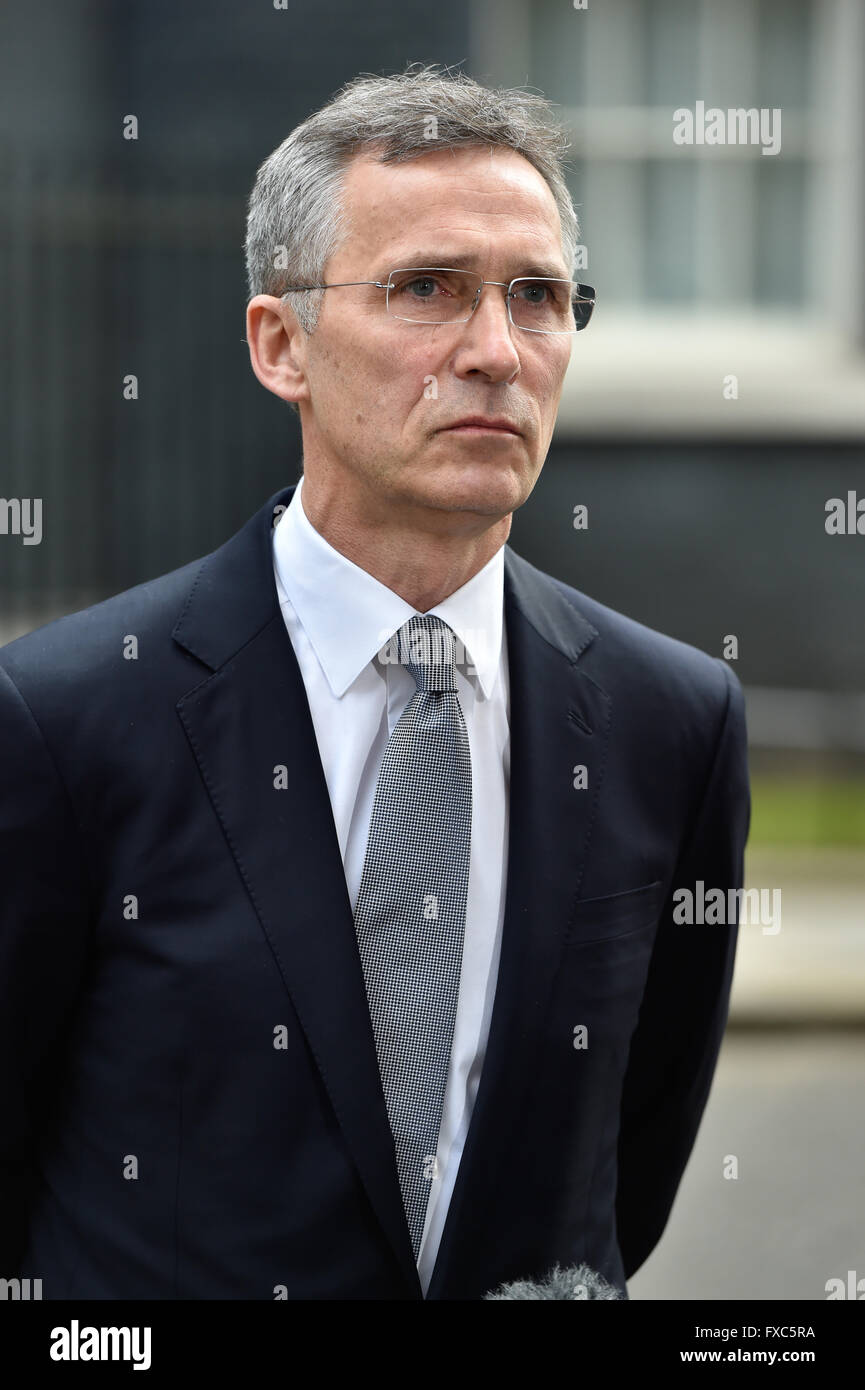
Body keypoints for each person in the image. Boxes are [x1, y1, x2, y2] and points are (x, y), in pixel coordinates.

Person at [0, 66, 749, 1301]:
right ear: (280, 343)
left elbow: (626, 1167)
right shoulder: (66, 716)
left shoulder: (671, 720)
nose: (497, 351)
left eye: (539, 297)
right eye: (426, 290)